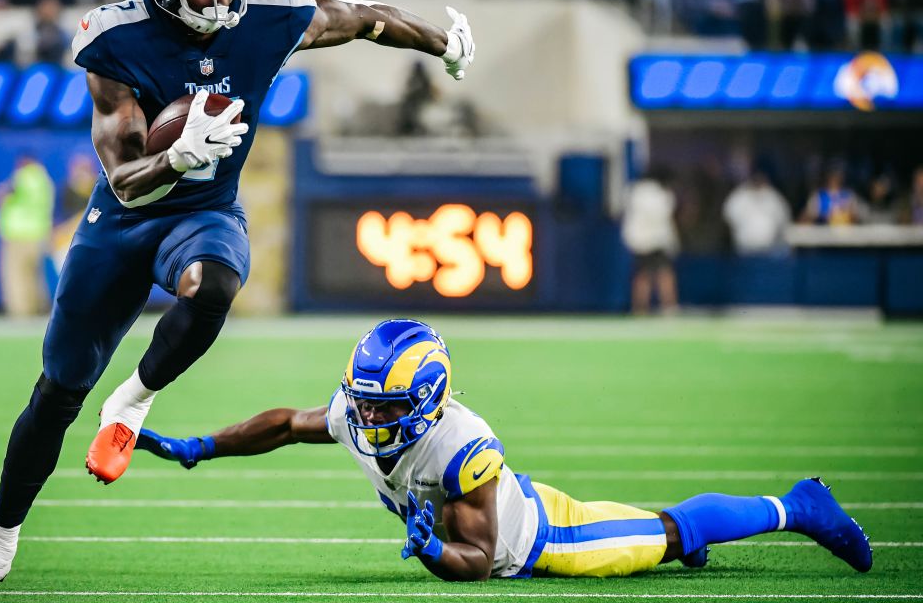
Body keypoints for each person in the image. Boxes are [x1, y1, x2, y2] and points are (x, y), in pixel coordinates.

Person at [0, 0, 475, 592]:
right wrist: (176, 155)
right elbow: (126, 180)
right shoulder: (114, 39)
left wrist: (444, 42)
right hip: (125, 223)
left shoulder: (271, 8)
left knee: (216, 282)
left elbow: (367, 18)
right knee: (57, 391)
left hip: (205, 213)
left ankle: (132, 400)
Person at [138, 319, 874, 581]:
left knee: (670, 529)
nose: (366, 417)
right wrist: (204, 445)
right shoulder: (363, 411)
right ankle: (684, 542)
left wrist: (432, 555)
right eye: (363, 401)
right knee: (657, 531)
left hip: (543, 541)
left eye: (384, 407)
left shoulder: (461, 447)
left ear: (427, 400)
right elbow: (288, 423)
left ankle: (796, 506)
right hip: (501, 514)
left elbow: (481, 562)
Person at [0, 153, 55, 317]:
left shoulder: (22, 176)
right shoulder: (44, 180)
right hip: (38, 234)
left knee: (16, 276)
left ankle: (21, 312)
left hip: (17, 235)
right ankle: (39, 309)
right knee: (35, 275)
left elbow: (0, 195)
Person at [622, 168, 679, 314]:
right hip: (654, 240)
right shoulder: (658, 194)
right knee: (663, 274)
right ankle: (669, 307)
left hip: (639, 241)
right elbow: (663, 214)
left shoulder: (634, 191)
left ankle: (640, 309)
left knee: (643, 275)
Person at [722, 170, 791, 255]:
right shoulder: (739, 197)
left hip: (769, 250)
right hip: (744, 249)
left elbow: (783, 220)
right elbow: (727, 217)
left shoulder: (773, 197)